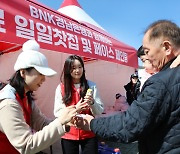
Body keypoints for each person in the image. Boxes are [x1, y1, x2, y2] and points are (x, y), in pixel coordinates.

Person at [75, 20, 180, 154]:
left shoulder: (161, 83)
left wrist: (92, 124)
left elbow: (131, 124)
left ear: (166, 47)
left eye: (147, 51)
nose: (147, 57)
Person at [0, 40, 77, 154]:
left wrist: (66, 122)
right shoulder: (8, 103)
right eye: (40, 73)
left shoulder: (25, 96)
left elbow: (42, 123)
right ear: (23, 72)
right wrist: (60, 122)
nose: (44, 79)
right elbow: (27, 145)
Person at [53, 55, 104, 154]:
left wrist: (92, 103)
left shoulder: (92, 86)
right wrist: (75, 109)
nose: (77, 70)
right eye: (73, 68)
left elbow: (100, 111)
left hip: (89, 133)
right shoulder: (61, 88)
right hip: (68, 133)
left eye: (80, 67)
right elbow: (57, 112)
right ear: (68, 70)